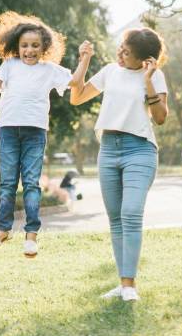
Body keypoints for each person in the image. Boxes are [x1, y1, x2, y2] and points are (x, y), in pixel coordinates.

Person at [70, 27, 168, 302]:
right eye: (121, 48)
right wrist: (85, 60)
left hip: (140, 149)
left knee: (131, 212)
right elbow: (76, 98)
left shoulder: (155, 75)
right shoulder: (111, 71)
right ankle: (123, 283)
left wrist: (148, 80)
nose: (121, 54)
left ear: (145, 60)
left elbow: (160, 117)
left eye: (127, 52)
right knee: (116, 220)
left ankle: (129, 285)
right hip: (109, 149)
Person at [0, 11, 91, 258]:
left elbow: (74, 81)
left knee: (31, 183)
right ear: (16, 47)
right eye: (24, 46)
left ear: (44, 48)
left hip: (35, 132)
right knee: (8, 183)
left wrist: (85, 58)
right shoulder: (9, 65)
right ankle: (2, 231)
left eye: (35, 46)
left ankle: (31, 237)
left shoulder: (49, 70)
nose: (29, 50)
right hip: (8, 129)